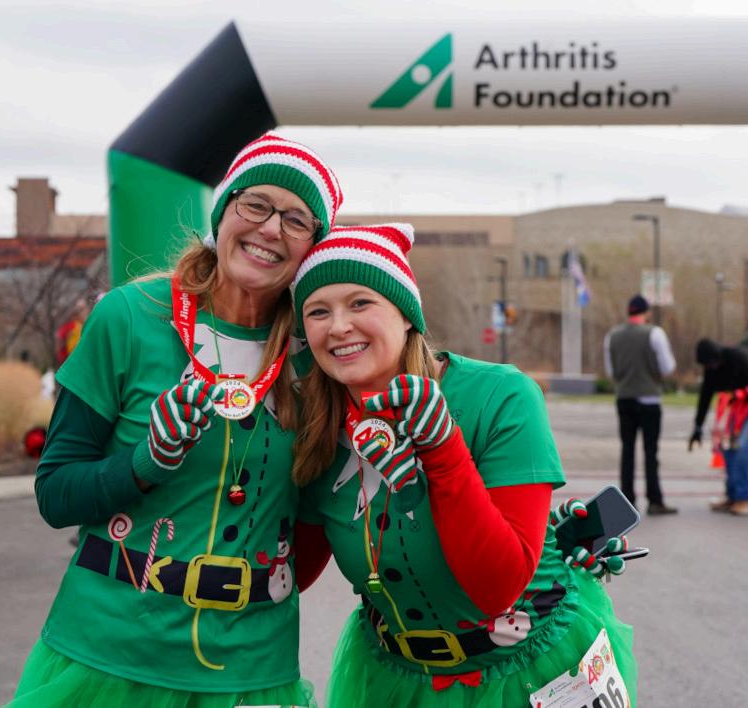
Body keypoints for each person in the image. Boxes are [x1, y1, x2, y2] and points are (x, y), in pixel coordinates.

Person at [9, 132, 343, 707]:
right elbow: (56, 495)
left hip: (250, 668)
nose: (271, 229)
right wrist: (145, 462)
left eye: (297, 220)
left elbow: (314, 526)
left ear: (313, 245)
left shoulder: (317, 353)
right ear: (223, 213)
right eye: (255, 205)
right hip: (108, 654)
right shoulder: (128, 316)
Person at [291, 223, 637, 707]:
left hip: (531, 673)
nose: (338, 326)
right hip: (397, 677)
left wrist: (442, 447)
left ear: (406, 315)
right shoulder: (317, 424)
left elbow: (496, 589)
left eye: (360, 303)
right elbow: (292, 572)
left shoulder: (502, 394)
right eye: (318, 311)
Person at [604, 294, 678, 515]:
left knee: (627, 450)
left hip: (624, 398)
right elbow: (667, 367)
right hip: (649, 399)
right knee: (650, 451)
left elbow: (611, 371)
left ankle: (627, 501)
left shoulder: (612, 335)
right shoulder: (654, 333)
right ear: (646, 313)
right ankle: (654, 500)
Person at [688, 338, 748, 515]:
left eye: (712, 363)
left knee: (742, 450)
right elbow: (705, 398)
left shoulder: (738, 357)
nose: (711, 367)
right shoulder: (711, 370)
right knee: (728, 450)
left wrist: (740, 393)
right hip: (735, 410)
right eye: (707, 365)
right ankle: (732, 496)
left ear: (718, 357)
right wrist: (697, 428)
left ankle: (744, 498)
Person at [55, 298, 89, 366]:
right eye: (82, 310)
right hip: (74, 363)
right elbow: (75, 350)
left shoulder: (63, 328)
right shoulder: (75, 327)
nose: (86, 312)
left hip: (65, 363)